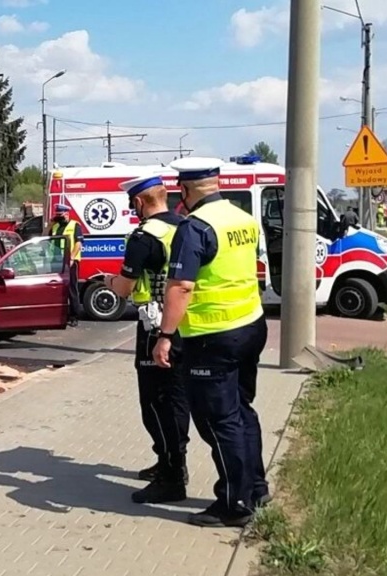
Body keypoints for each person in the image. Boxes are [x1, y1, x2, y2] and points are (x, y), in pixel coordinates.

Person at [152, 157, 269, 528]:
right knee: (242, 410)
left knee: (218, 421)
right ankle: (256, 487)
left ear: (185, 191)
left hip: (212, 337)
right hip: (251, 324)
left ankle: (234, 504)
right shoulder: (242, 218)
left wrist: (165, 336)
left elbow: (182, 286)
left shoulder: (195, 228)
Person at [101, 173, 190, 504]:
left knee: (154, 401)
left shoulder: (144, 236)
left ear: (139, 202)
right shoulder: (185, 227)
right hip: (185, 323)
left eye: (132, 204)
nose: (133, 209)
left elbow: (124, 288)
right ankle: (172, 462)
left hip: (154, 328)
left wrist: (108, 282)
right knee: (177, 397)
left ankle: (172, 475)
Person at [49, 204, 83, 326]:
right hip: (56, 261)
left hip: (70, 261)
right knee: (56, 289)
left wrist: (72, 258)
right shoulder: (55, 226)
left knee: (71, 289)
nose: (59, 217)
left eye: (60, 215)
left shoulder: (75, 225)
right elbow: (43, 238)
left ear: (67, 213)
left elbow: (79, 244)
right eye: (57, 214)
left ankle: (74, 316)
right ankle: (59, 316)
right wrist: (50, 224)